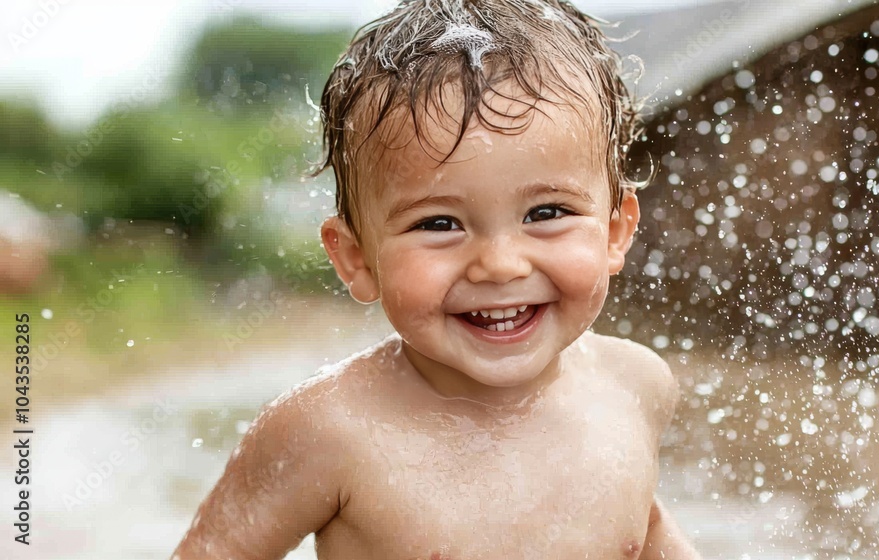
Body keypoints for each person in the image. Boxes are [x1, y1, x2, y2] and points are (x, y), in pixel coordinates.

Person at [172, 0, 701, 558]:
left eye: (546, 213)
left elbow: (644, 532)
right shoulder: (329, 431)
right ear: (355, 258)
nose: (500, 265)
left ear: (616, 232)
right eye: (439, 223)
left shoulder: (634, 386)